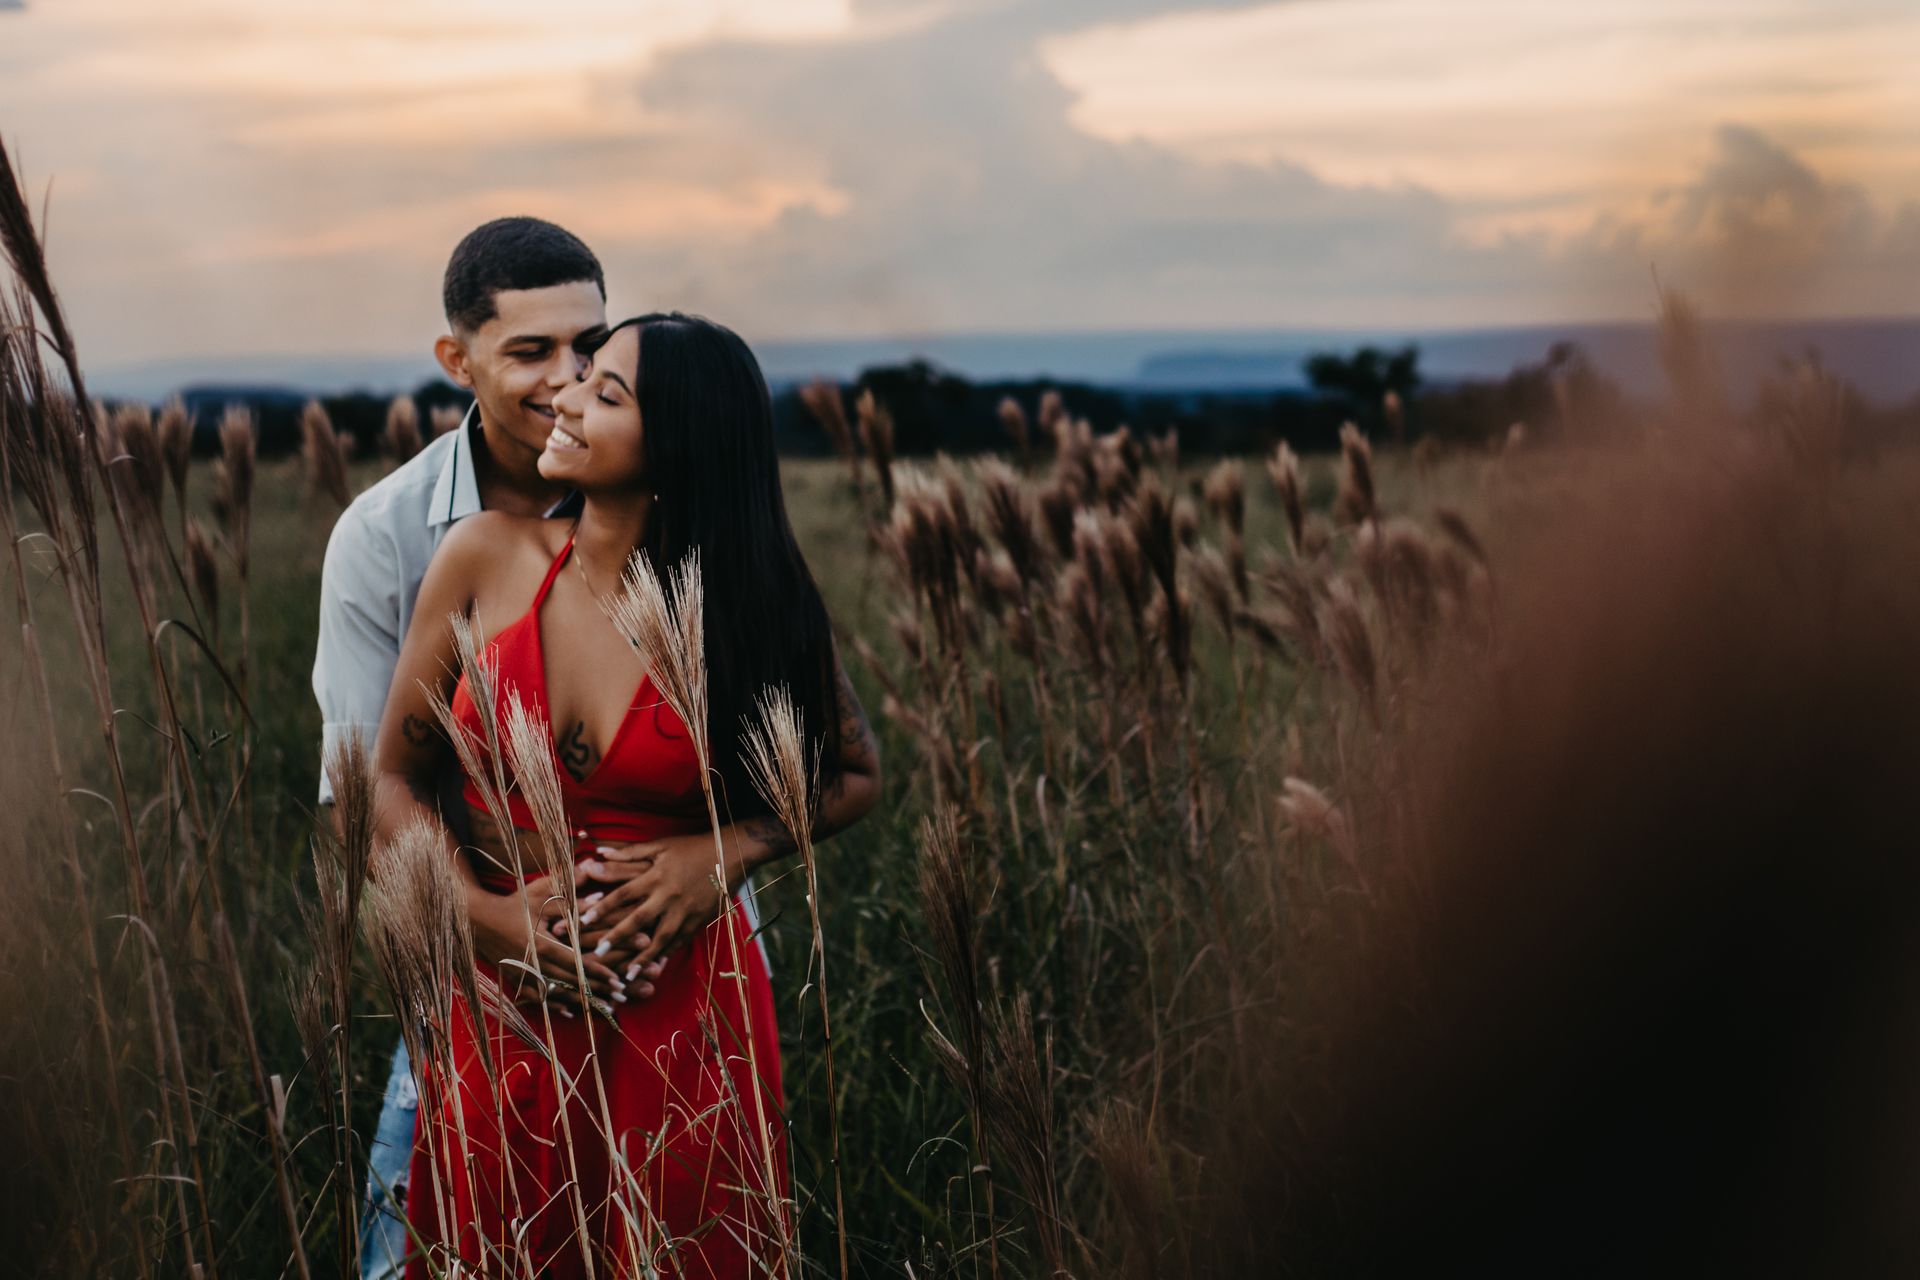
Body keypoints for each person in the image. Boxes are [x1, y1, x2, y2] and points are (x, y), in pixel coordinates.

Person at [370, 312, 882, 1278]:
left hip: (683, 1015)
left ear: (676, 445)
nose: (565, 397)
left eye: (605, 393)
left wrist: (723, 854)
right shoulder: (485, 558)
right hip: (504, 1005)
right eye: (580, 378)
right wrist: (487, 919)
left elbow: (852, 775)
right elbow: (391, 780)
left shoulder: (749, 596)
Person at [313, 215, 611, 1278]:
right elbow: (363, 790)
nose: (568, 377)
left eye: (590, 346)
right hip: (473, 987)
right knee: (414, 1256)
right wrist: (492, 924)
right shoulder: (388, 536)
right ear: (458, 359)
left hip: (673, 982)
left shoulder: (674, 507)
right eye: (530, 351)